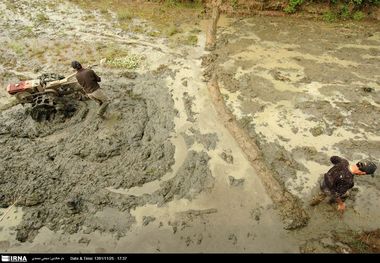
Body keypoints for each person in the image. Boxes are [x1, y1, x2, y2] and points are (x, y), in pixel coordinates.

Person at [310, 156, 377, 212]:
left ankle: (312, 205)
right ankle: (331, 202)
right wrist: (341, 204)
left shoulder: (344, 162)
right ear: (363, 173)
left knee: (320, 196)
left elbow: (332, 158)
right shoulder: (348, 181)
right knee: (346, 194)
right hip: (329, 190)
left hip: (324, 182)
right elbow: (336, 194)